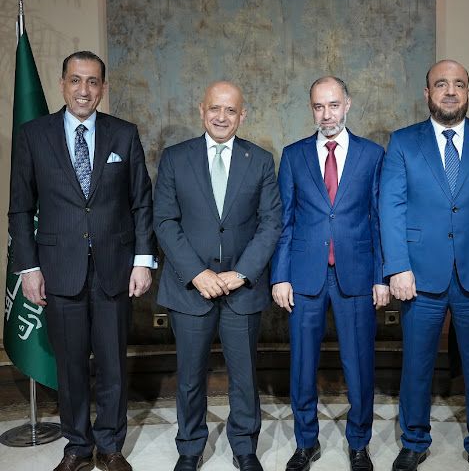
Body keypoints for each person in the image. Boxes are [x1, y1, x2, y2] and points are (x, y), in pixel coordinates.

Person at [8, 51, 155, 471]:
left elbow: (141, 202)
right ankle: (77, 447)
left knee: (112, 365)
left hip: (115, 269)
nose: (84, 90)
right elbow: (20, 208)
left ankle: (110, 446)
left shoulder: (123, 134)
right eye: (75, 80)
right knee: (70, 367)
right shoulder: (33, 135)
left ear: (103, 88)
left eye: (92, 81)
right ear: (62, 84)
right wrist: (29, 268)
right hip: (58, 270)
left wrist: (143, 260)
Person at [379, 60, 469, 471]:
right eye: (441, 84)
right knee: (417, 365)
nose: (450, 91)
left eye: (458, 84)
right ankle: (414, 441)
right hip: (419, 275)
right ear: (427, 92)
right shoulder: (404, 142)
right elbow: (391, 206)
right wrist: (397, 267)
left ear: (467, 92)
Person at [154, 81, 281, 471]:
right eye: (214, 108)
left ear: (243, 115)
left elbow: (271, 224)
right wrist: (197, 274)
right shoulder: (175, 158)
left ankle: (244, 447)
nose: (221, 117)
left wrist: (241, 273)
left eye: (230, 110)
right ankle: (190, 448)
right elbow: (164, 221)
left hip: (242, 289)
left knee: (244, 376)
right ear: (201, 109)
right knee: (190, 377)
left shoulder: (261, 160)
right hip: (190, 289)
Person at [271, 76, 389, 471]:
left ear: (348, 104)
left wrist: (381, 276)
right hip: (305, 275)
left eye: (333, 105)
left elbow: (378, 219)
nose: (326, 114)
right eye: (319, 106)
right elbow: (284, 221)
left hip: (356, 274)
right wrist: (280, 276)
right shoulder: (293, 155)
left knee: (360, 366)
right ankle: (306, 443)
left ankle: (359, 444)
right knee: (302, 366)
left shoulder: (372, 155)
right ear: (312, 109)